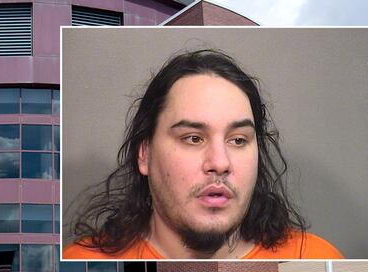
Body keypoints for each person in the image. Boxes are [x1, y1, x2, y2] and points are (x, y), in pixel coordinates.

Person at [63, 49, 343, 260]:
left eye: (237, 140)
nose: (220, 163)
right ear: (144, 154)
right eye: (193, 138)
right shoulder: (83, 258)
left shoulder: (315, 256)